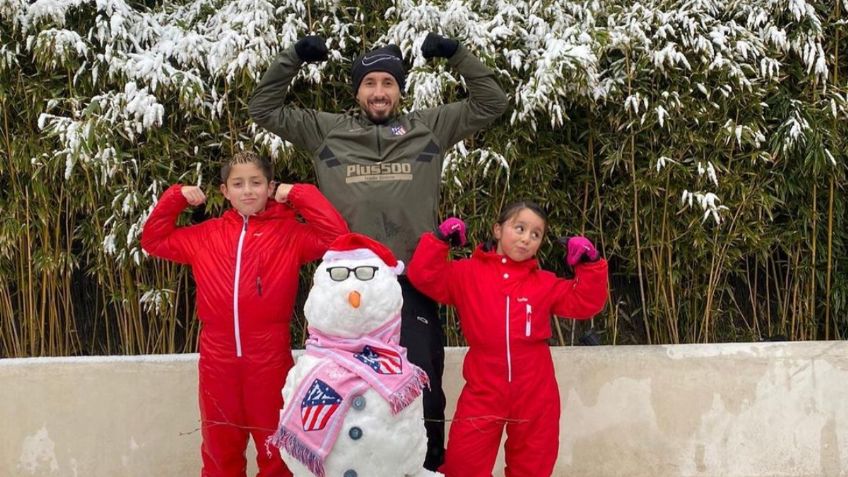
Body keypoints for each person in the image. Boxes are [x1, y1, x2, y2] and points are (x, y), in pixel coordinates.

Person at [248, 32, 508, 470]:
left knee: (421, 381)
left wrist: (456, 55)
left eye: (388, 82)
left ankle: (426, 466)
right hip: (348, 284)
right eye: (370, 84)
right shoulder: (328, 130)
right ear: (357, 91)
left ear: (399, 89)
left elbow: (491, 103)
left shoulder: (429, 126)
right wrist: (293, 58)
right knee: (341, 387)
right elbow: (263, 108)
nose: (379, 92)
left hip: (412, 281)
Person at [140, 151, 349, 477]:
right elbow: (154, 240)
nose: (248, 190)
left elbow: (338, 238)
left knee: (275, 450)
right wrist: (174, 199)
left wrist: (297, 194)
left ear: (269, 187)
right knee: (219, 448)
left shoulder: (289, 235)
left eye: (256, 182)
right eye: (238, 184)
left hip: (269, 357)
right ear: (224, 191)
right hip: (216, 359)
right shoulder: (206, 235)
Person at [406, 202, 609, 477]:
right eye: (520, 228)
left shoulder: (544, 283)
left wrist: (590, 264)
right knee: (463, 465)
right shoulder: (466, 274)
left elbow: (586, 302)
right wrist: (440, 242)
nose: (527, 238)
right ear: (498, 229)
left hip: (536, 393)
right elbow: (423, 276)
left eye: (536, 235)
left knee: (533, 467)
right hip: (483, 390)